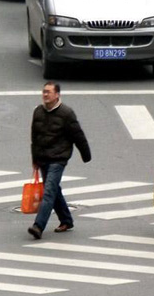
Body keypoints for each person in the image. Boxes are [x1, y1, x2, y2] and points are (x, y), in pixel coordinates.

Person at [28, 82, 91, 240]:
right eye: (44, 92)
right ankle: (66, 220)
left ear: (57, 95)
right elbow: (34, 137)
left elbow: (78, 135)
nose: (45, 95)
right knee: (54, 190)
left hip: (58, 158)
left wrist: (86, 155)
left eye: (49, 92)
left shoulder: (66, 113)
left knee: (49, 191)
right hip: (43, 158)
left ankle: (38, 226)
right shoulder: (38, 112)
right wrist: (35, 159)